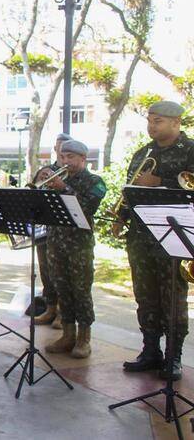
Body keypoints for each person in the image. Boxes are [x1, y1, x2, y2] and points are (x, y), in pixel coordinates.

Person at [117, 101, 194, 380]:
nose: (151, 126)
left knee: (172, 298)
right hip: (140, 236)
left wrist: (160, 181)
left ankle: (173, 357)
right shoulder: (142, 153)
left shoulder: (190, 151)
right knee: (145, 295)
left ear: (176, 122)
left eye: (158, 121)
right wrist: (121, 215)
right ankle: (150, 351)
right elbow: (130, 190)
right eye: (149, 120)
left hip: (174, 237)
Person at [43, 140, 106, 358]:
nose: (66, 161)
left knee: (80, 290)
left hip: (79, 245)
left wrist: (65, 189)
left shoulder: (94, 181)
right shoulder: (57, 179)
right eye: (63, 156)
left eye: (71, 157)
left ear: (82, 159)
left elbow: (88, 207)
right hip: (55, 242)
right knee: (62, 288)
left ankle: (83, 338)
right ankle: (68, 335)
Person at [33, 133, 73, 327]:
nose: (62, 151)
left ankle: (62, 313)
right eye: (59, 147)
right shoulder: (47, 170)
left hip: (67, 234)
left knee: (64, 276)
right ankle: (50, 307)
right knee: (46, 271)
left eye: (66, 148)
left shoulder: (74, 174)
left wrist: (62, 186)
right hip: (45, 230)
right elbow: (34, 192)